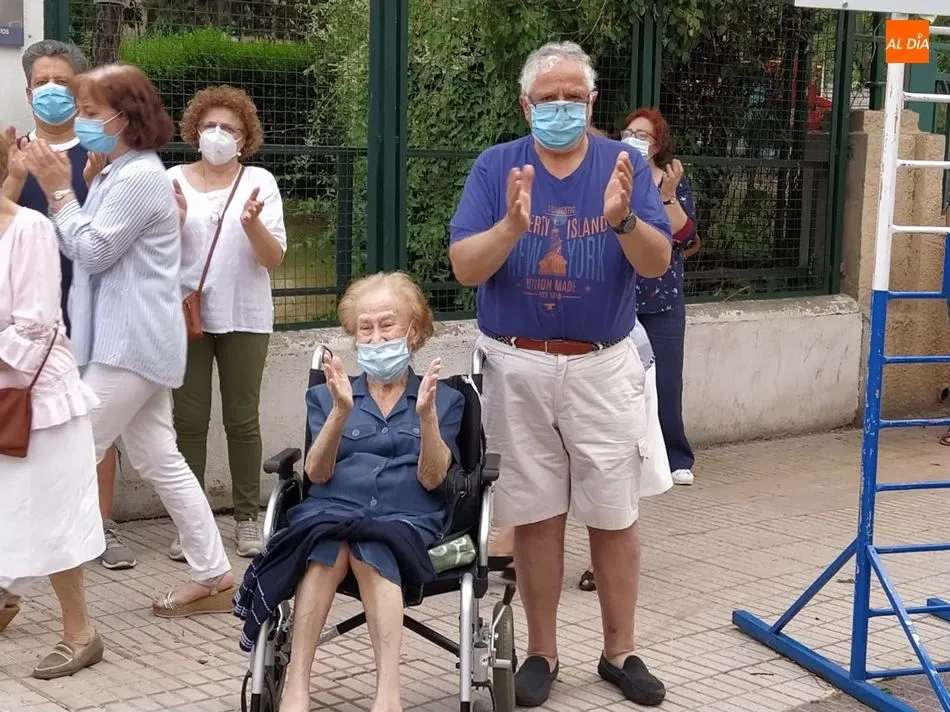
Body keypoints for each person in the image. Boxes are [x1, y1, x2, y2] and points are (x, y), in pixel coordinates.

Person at [449, 41, 672, 707]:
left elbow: (656, 263)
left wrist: (623, 220)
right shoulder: (497, 167)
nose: (561, 107)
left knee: (614, 513)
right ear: (526, 106)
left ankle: (619, 651)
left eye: (573, 96)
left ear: (592, 102)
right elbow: (465, 266)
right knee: (535, 514)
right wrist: (512, 228)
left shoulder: (623, 165)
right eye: (548, 98)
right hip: (515, 363)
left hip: (601, 364)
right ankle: (541, 652)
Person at [20, 63, 236, 617]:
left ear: (125, 117)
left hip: (129, 346)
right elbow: (94, 247)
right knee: (159, 458)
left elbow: (91, 252)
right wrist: (84, 188)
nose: (80, 121)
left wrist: (60, 192)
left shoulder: (139, 175)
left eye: (90, 112)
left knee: (64, 455)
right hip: (131, 343)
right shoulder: (121, 172)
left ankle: (5, 584)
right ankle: (214, 575)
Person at [233, 272, 464, 712]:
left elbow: (433, 480)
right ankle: (297, 686)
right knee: (327, 547)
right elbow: (317, 475)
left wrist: (426, 417)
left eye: (387, 325)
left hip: (405, 517)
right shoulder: (327, 396)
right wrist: (341, 412)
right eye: (365, 328)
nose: (376, 338)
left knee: (369, 548)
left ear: (414, 332)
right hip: (333, 510)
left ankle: (388, 696)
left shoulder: (445, 400)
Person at [0, 39, 127, 569]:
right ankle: (32, 534)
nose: (52, 91)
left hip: (91, 305)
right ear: (28, 91)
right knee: (31, 421)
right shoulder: (14, 153)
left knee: (94, 422)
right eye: (42, 83)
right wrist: (15, 174)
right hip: (26, 314)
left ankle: (102, 525)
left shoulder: (103, 153)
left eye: (64, 82)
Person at [0, 130, 106, 678]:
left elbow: (36, 326)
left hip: (38, 401)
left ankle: (81, 634)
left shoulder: (30, 229)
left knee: (52, 515)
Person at [168, 85, 287, 560]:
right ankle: (191, 524)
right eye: (210, 125)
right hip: (185, 314)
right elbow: (151, 253)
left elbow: (273, 258)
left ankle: (246, 518)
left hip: (245, 315)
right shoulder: (172, 180)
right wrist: (174, 221)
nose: (218, 134)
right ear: (194, 130)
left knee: (241, 419)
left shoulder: (260, 181)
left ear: (245, 137)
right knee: (188, 421)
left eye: (229, 128)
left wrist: (252, 223)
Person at [621, 107, 698, 486]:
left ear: (657, 144)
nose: (633, 140)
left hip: (662, 297)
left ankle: (675, 456)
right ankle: (626, 457)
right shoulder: (614, 178)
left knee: (665, 380)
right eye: (628, 133)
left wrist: (667, 197)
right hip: (619, 296)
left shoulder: (672, 182)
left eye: (643, 135)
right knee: (618, 383)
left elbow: (684, 236)